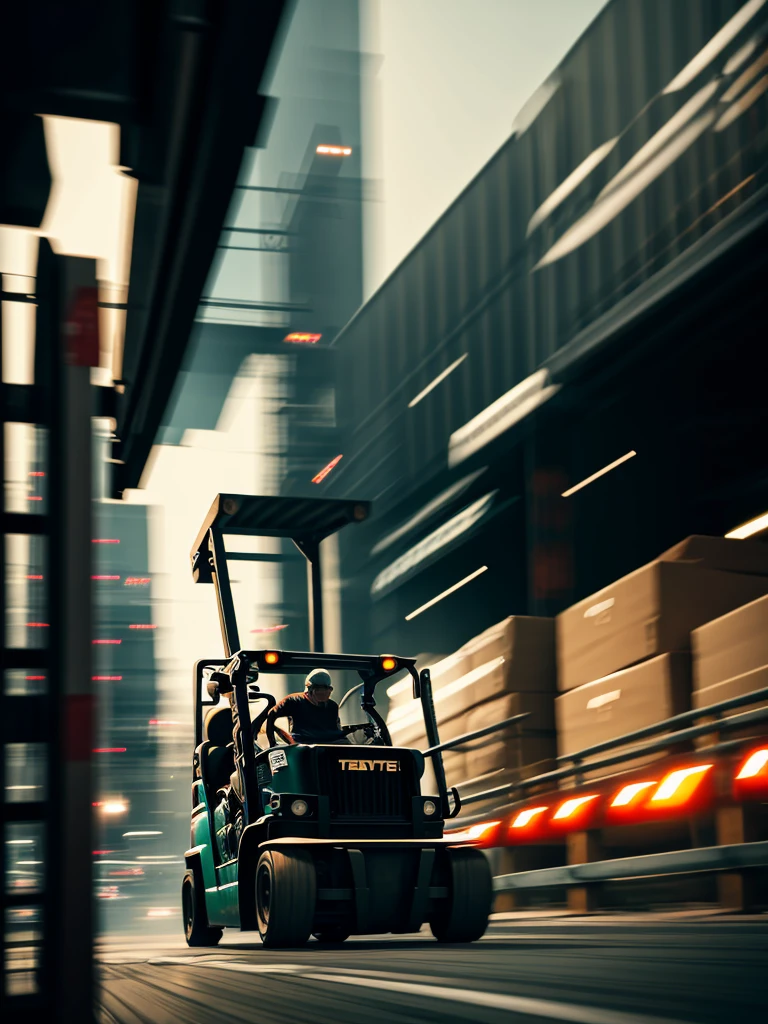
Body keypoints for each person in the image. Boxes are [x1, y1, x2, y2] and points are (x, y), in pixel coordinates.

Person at [266, 668, 348, 745]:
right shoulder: (294, 701)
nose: (322, 696)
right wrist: (272, 741)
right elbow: (271, 715)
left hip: (329, 745)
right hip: (303, 746)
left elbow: (335, 731)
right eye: (318, 691)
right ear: (309, 690)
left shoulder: (332, 706)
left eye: (326, 691)